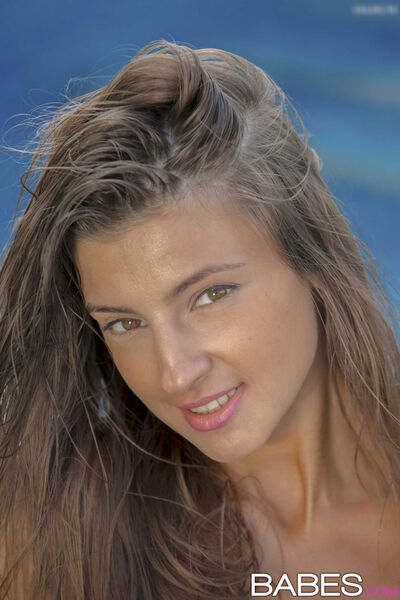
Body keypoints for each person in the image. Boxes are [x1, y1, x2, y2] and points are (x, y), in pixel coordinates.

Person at [0, 39, 399, 600]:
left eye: (210, 295)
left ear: (312, 255)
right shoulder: (61, 537)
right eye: (124, 323)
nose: (175, 373)